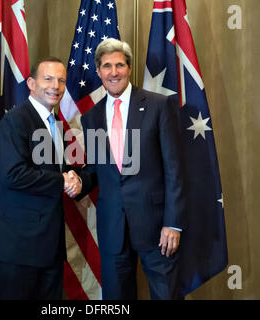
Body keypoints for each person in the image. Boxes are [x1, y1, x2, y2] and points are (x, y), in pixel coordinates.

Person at [71, 38, 186, 299]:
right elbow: (99, 169)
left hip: (158, 228)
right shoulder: (91, 118)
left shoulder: (159, 105)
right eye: (107, 66)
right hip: (113, 228)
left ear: (129, 68)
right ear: (99, 71)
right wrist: (79, 179)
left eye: (120, 65)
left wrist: (173, 223)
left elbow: (174, 168)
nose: (114, 72)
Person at [0, 57, 81, 300]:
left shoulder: (55, 123)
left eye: (61, 80)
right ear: (30, 83)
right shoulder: (15, 120)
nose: (55, 86)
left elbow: (58, 168)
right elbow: (13, 175)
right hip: (17, 249)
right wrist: (62, 181)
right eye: (48, 79)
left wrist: (76, 178)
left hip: (48, 248)